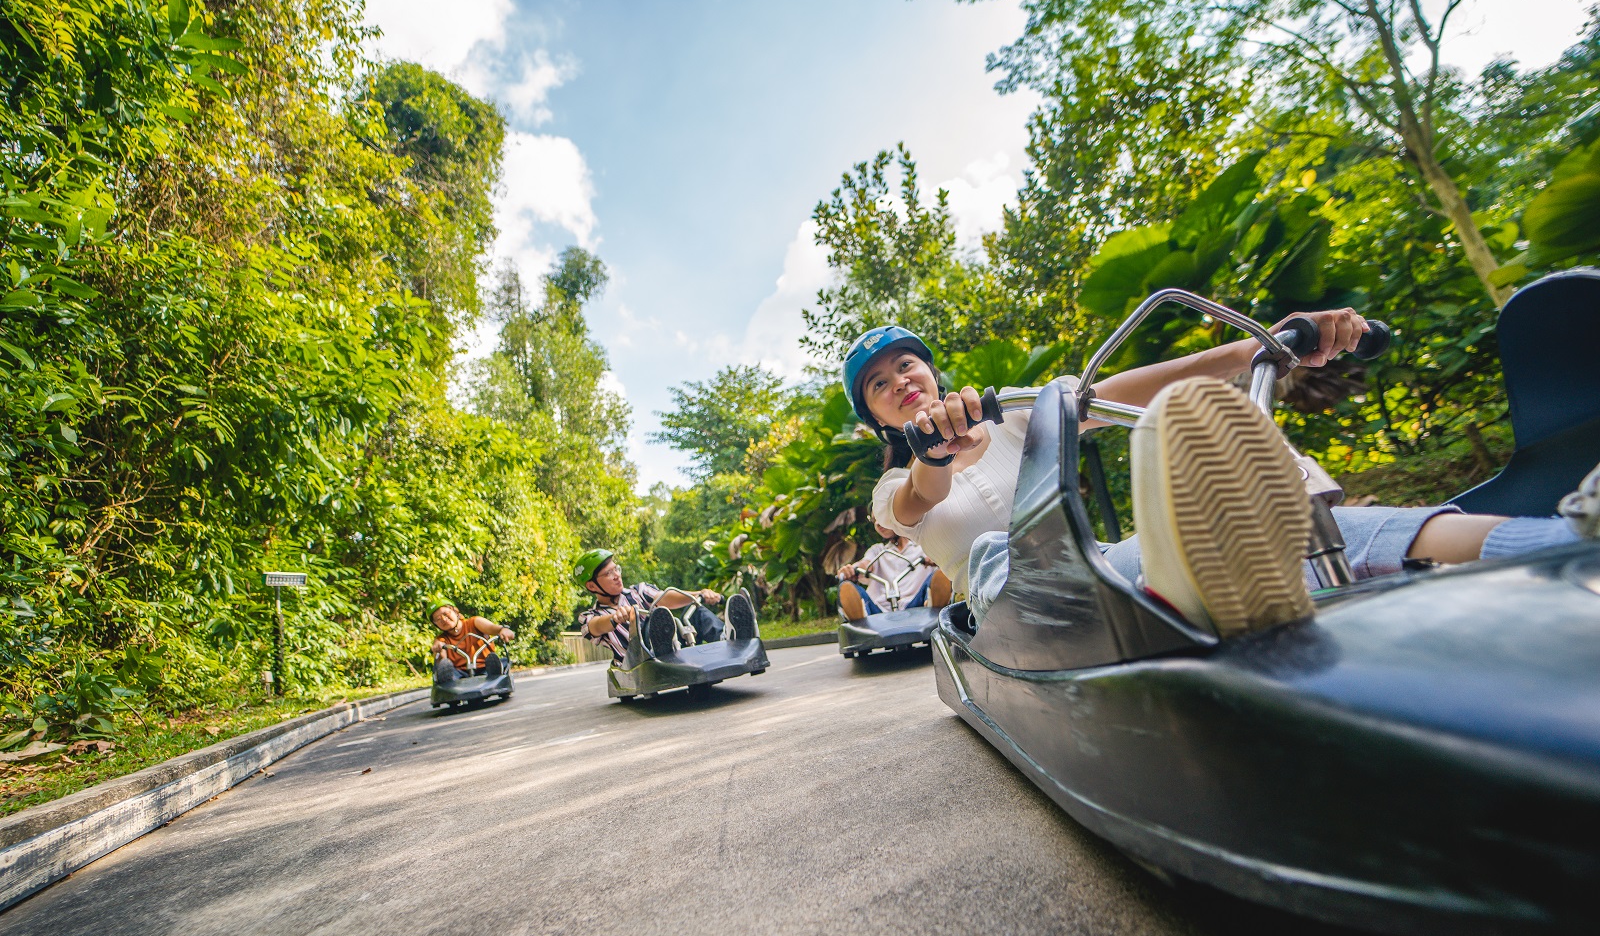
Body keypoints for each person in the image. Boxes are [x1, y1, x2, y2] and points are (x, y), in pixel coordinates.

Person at [845, 317, 1599, 637]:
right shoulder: (894, 485)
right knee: (1003, 557)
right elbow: (920, 498)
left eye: (905, 363)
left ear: (931, 368)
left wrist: (1270, 343)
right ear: (880, 417)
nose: (899, 379)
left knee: (1265, 490)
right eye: (880, 383)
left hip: (1101, 571)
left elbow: (1140, 382)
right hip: (1019, 608)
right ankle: (1201, 579)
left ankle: (1564, 537)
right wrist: (933, 456)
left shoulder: (1021, 411)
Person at [573, 548, 757, 661]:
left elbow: (667, 597)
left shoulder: (639, 591)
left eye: (616, 569)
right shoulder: (590, 616)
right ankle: (661, 645)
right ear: (591, 585)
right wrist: (615, 618)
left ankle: (731, 638)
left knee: (695, 612)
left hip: (676, 645)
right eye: (608, 573)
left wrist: (700, 594)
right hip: (641, 658)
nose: (616, 575)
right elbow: (595, 627)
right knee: (653, 622)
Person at [836, 517, 951, 620]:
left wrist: (935, 559)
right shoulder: (877, 550)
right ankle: (862, 617)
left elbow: (944, 559)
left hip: (917, 606)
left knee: (940, 575)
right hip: (879, 611)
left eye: (881, 517)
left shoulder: (923, 547)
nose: (877, 524)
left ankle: (933, 609)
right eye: (874, 520)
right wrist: (852, 569)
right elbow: (865, 564)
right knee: (848, 587)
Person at [428, 602, 514, 684]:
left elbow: (494, 628)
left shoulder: (474, 622)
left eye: (446, 614)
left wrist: (503, 630)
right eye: (438, 619)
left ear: (455, 611)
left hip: (485, 667)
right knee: (447, 670)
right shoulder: (441, 639)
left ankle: (495, 674)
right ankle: (449, 684)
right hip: (460, 673)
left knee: (502, 662)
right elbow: (442, 658)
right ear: (436, 625)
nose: (444, 619)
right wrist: (438, 650)